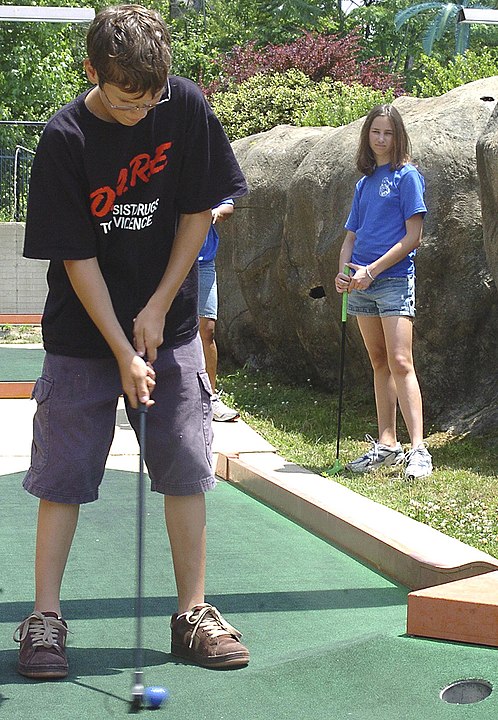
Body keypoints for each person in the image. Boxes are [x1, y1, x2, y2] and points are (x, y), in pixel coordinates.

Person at [13, 4, 250, 679]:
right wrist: (120, 347)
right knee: (64, 475)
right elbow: (77, 260)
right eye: (125, 101)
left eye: (151, 100)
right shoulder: (65, 139)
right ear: (94, 72)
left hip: (166, 326)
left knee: (184, 463)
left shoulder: (186, 107)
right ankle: (46, 617)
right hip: (80, 336)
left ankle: (193, 613)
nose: (141, 114)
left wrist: (156, 307)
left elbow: (197, 211)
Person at [335, 104, 433, 481]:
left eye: (388, 133)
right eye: (375, 132)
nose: (381, 139)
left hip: (390, 281)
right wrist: (344, 272)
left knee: (400, 361)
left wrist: (372, 271)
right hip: (359, 283)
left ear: (398, 136)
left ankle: (419, 449)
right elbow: (350, 238)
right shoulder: (364, 183)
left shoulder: (408, 177)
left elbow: (414, 237)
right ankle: (387, 444)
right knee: (378, 361)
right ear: (367, 136)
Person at [198, 199, 240, 422]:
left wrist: (213, 213)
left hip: (204, 263)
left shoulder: (209, 166)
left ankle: (210, 398)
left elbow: (228, 206)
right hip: (169, 262)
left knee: (207, 330)